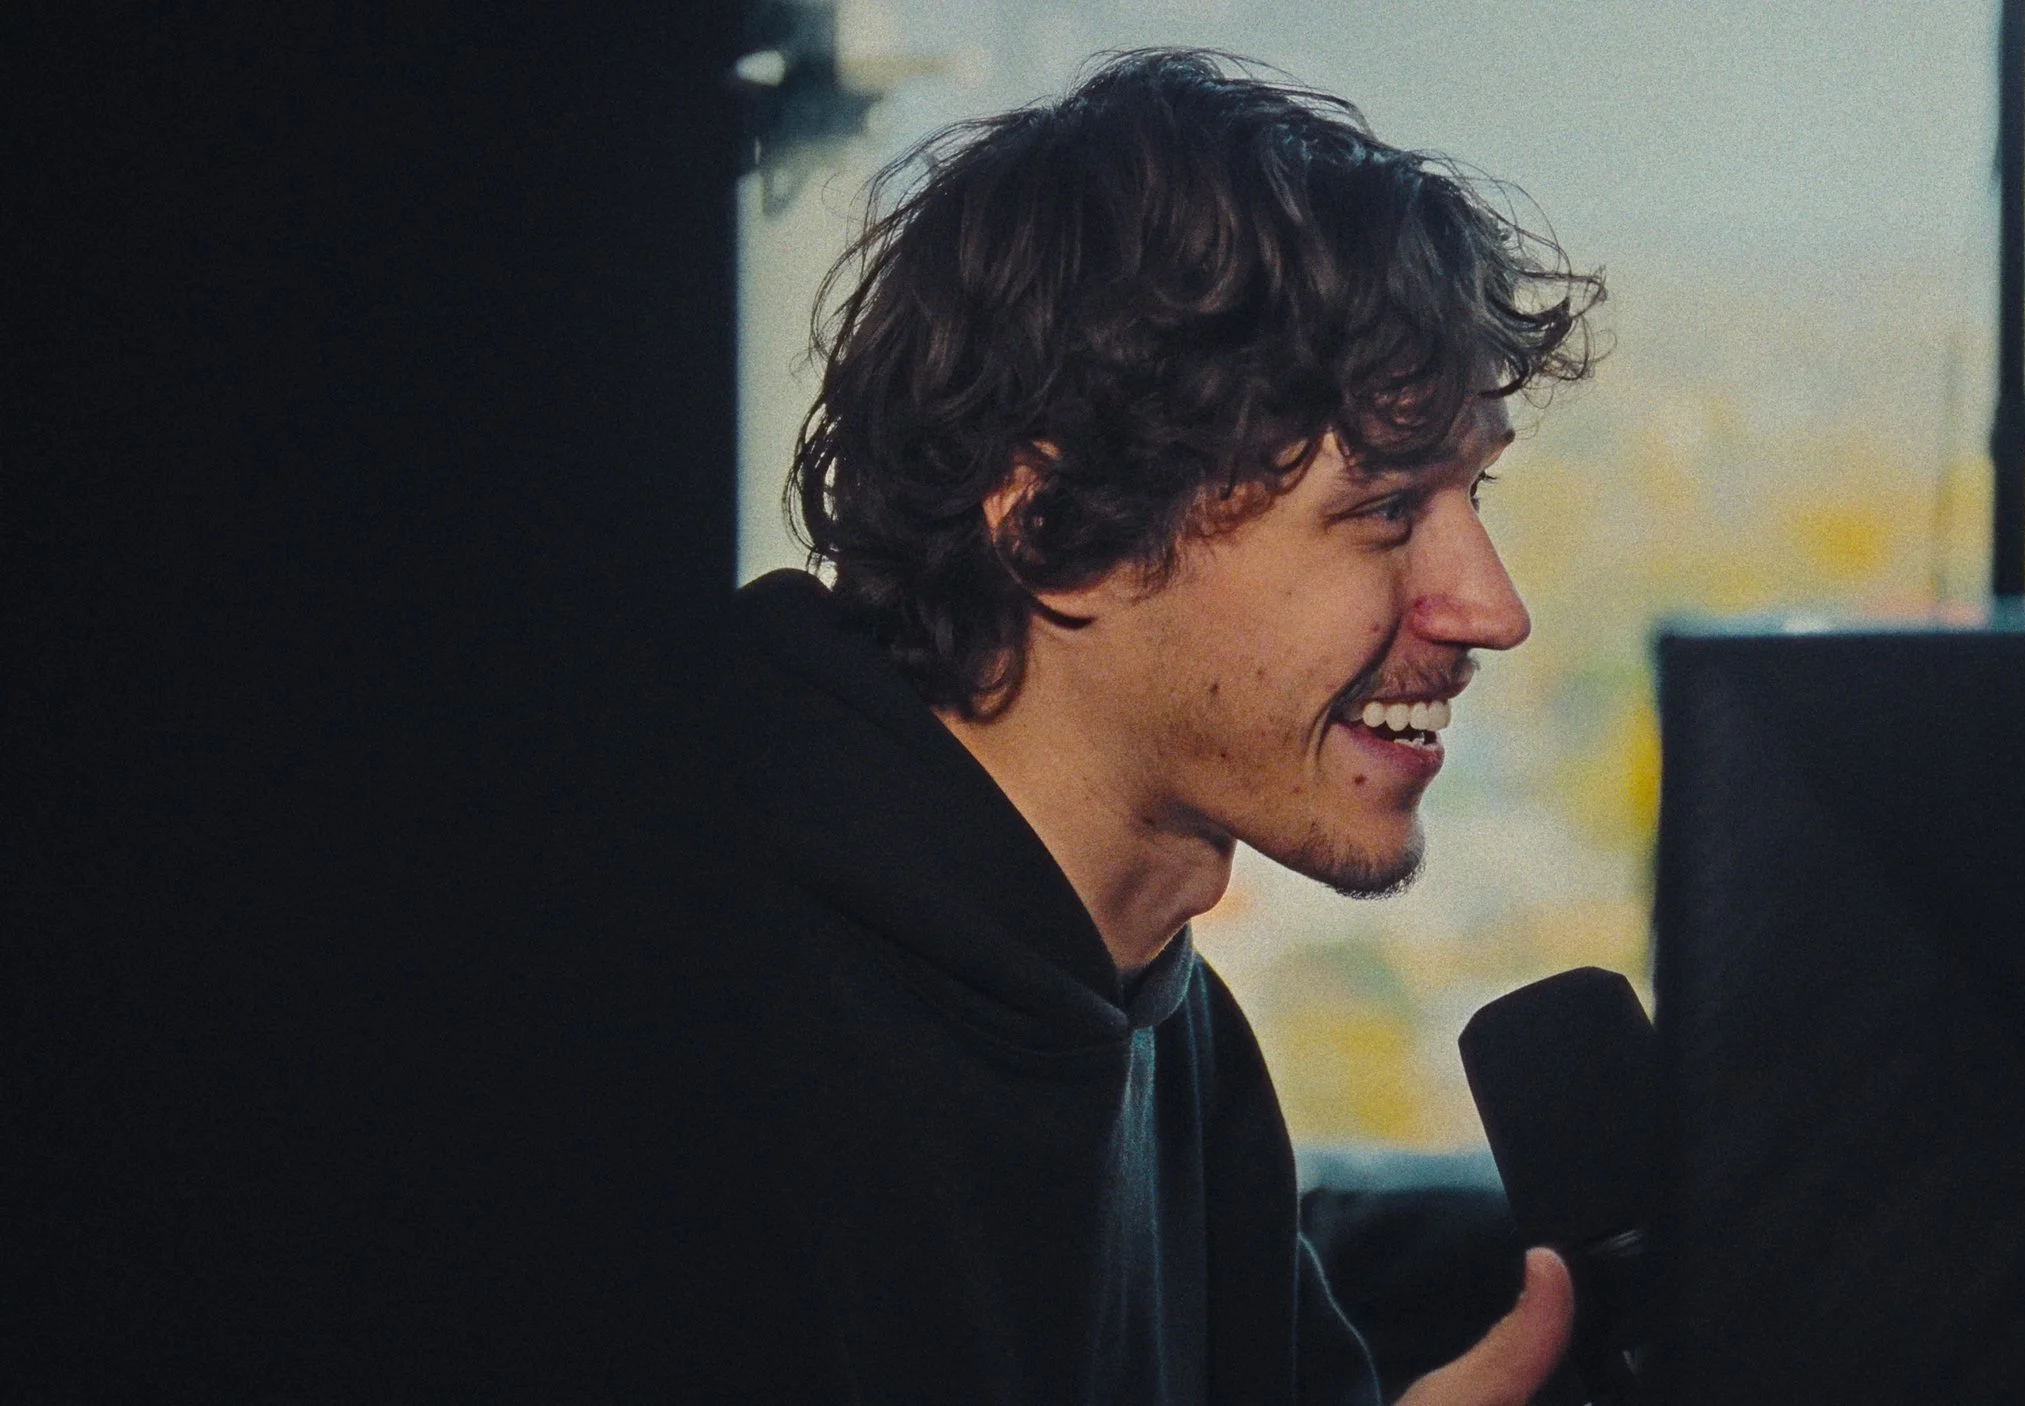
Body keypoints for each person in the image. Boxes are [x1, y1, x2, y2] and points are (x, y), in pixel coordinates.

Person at [618, 47, 1603, 1404]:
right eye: (1385, 507)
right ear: (1054, 528)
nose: (1492, 608)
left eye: (1469, 497)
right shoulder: (667, 1023)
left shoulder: (1177, 1038)